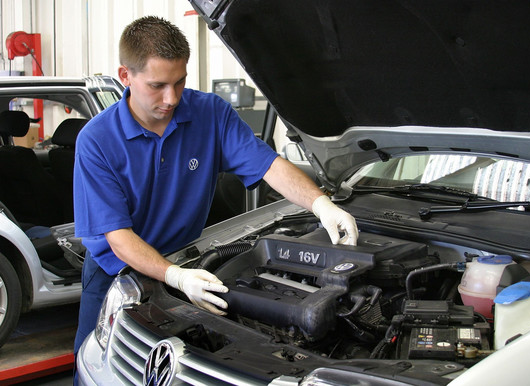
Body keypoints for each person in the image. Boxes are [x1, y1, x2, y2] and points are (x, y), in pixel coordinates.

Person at [72, 15, 358, 356]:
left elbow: (268, 165)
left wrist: (321, 204)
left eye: (180, 82)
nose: (173, 97)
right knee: (97, 358)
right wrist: (176, 277)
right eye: (157, 85)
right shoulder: (97, 140)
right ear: (125, 77)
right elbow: (118, 238)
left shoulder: (209, 113)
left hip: (185, 258)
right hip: (116, 272)